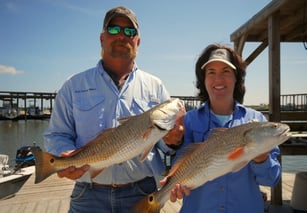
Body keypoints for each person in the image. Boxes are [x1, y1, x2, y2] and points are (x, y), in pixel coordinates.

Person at [43, 6, 184, 213]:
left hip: (142, 192)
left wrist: (174, 141)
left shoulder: (156, 86)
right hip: (88, 195)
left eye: (129, 31)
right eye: (114, 29)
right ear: (102, 38)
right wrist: (62, 155)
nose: (121, 35)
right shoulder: (73, 85)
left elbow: (164, 147)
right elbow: (57, 133)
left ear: (138, 42)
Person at [167, 44, 281, 212]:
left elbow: (272, 179)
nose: (218, 79)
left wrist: (261, 159)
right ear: (203, 80)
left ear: (237, 78)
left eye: (226, 71)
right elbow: (180, 162)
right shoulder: (188, 121)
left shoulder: (257, 121)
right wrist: (174, 184)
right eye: (211, 72)